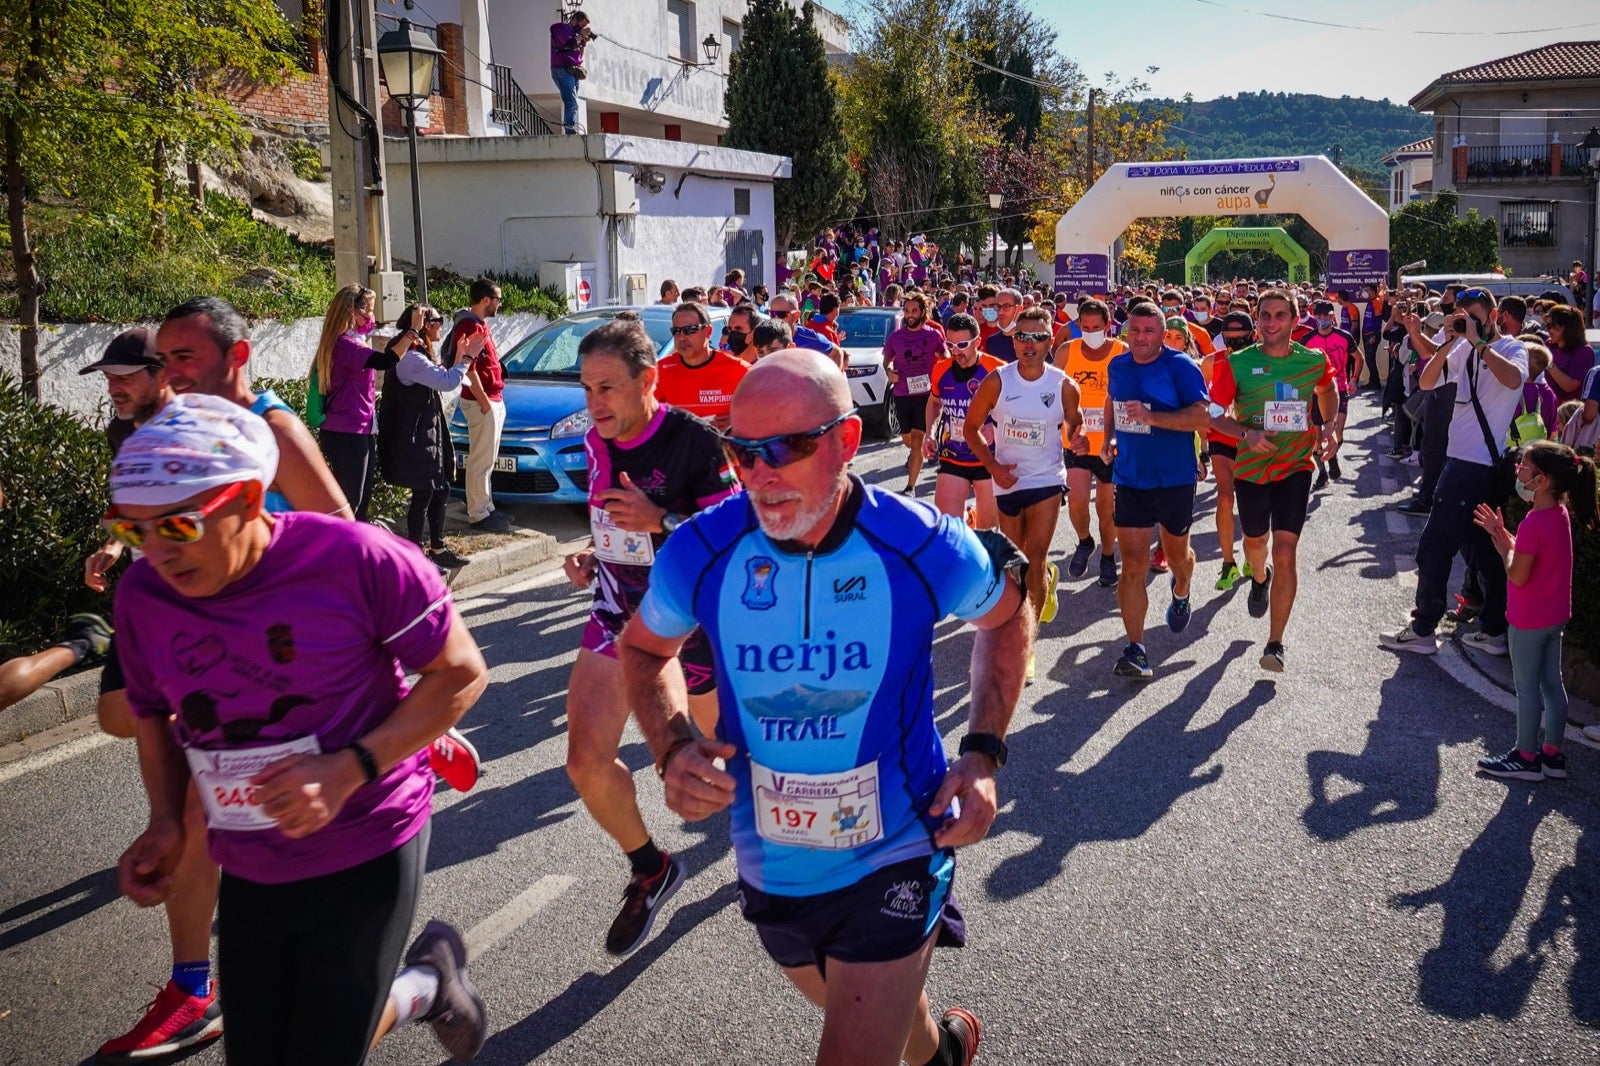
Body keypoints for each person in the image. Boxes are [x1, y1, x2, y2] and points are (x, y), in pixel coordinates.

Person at [618, 348, 1030, 1066]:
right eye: (742, 453)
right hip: (771, 864)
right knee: (887, 1020)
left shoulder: (921, 544)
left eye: (788, 447)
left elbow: (1010, 616)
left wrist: (983, 751)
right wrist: (671, 745)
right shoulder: (701, 551)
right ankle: (942, 1052)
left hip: (899, 847)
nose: (762, 474)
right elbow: (643, 650)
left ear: (845, 441)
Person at [109, 394, 489, 1065]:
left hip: (369, 836)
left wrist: (347, 769)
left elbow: (460, 674)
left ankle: (421, 983)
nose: (157, 554)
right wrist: (166, 819)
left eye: (178, 527)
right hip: (251, 853)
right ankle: (425, 984)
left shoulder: (357, 560)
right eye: (134, 531)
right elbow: (151, 713)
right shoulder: (144, 596)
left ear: (249, 499)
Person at [562, 317, 741, 956]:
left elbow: (736, 538)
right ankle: (651, 866)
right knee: (584, 762)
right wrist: (592, 551)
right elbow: (614, 522)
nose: (595, 404)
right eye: (587, 389)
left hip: (689, 619)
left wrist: (663, 519)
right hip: (617, 610)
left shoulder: (692, 441)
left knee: (725, 760)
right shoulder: (594, 442)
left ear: (649, 379)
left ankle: (760, 854)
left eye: (607, 388)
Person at [1382, 290, 1529, 656]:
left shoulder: (1513, 349)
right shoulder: (1462, 348)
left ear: (1494, 315)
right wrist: (1448, 343)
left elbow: (1513, 380)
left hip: (1474, 465)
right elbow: (1429, 381)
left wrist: (1478, 342)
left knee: (1435, 547)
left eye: (1474, 315)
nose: (1466, 321)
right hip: (1462, 461)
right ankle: (1495, 629)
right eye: (1462, 315)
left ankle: (1423, 627)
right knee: (1483, 551)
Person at [1207, 289, 1337, 672]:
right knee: (1255, 545)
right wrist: (1245, 434)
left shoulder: (1313, 360)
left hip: (1296, 467)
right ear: (1257, 318)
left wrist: (1329, 427)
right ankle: (1258, 578)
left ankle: (1275, 642)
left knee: (1285, 551)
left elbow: (1327, 391)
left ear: (1296, 320)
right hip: (1251, 470)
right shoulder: (1238, 363)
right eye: (1265, 315)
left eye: (1280, 315)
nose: (1271, 323)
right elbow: (1213, 414)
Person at [964, 306, 1077, 682]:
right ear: (1013, 340)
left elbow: (1074, 429)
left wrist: (1078, 437)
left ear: (1051, 339)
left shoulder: (1063, 385)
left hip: (1046, 478)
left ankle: (1025, 648)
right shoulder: (998, 381)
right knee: (1017, 566)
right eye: (1022, 337)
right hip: (1007, 480)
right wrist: (994, 468)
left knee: (1036, 555)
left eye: (1038, 337)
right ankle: (1040, 582)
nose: (1029, 344)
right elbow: (970, 429)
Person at [1100, 302, 1211, 680]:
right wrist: (1109, 438)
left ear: (1163, 335)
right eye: (1135, 331)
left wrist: (1153, 418)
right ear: (1126, 332)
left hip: (1174, 478)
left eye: (1149, 331)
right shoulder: (1118, 365)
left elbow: (1201, 417)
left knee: (1178, 556)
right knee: (1132, 565)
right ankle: (1136, 649)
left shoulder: (1181, 367)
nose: (1141, 338)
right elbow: (1112, 402)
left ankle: (1181, 589)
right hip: (1130, 477)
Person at [1471, 441, 1595, 779]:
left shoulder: (1532, 524)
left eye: (1523, 466)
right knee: (1552, 684)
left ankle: (1525, 756)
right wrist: (1507, 539)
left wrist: (1503, 548)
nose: (1518, 471)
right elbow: (1536, 559)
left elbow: (1517, 573)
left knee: (1526, 688)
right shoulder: (1559, 515)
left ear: (1540, 479)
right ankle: (1552, 755)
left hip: (1528, 619)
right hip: (1554, 616)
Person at [378, 304, 471, 572]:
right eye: (438, 320)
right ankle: (416, 554)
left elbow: (441, 376)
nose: (442, 325)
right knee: (423, 494)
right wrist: (466, 360)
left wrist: (459, 357)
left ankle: (438, 548)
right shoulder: (411, 357)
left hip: (427, 432)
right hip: (415, 437)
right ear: (425, 325)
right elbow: (446, 382)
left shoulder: (420, 353)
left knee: (440, 488)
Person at [1055, 298, 1125, 589]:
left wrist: (1116, 437)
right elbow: (1054, 397)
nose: (1091, 332)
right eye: (1085, 327)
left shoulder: (1122, 353)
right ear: (1078, 325)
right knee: (1077, 502)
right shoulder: (1066, 352)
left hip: (1110, 444)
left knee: (1106, 509)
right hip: (1077, 441)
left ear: (1108, 326)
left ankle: (1108, 556)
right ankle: (1085, 541)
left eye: (1097, 327)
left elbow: (1128, 399)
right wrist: (1072, 433)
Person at [311, 284, 385, 521]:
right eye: (369, 310)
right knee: (350, 501)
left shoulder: (356, 339)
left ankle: (356, 553)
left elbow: (369, 331)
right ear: (353, 313)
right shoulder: (345, 345)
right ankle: (337, 553)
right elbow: (386, 361)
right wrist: (412, 332)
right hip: (345, 431)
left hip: (360, 427)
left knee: (362, 500)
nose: (372, 316)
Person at [924, 313, 1003, 530]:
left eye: (962, 344)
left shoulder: (996, 370)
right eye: (951, 345)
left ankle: (973, 517)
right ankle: (966, 521)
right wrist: (929, 434)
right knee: (947, 530)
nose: (956, 351)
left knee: (986, 533)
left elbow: (1014, 409)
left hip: (988, 459)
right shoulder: (941, 369)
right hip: (953, 457)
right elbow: (934, 403)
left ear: (977, 342)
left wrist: (995, 426)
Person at [447, 279, 512, 533]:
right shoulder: (468, 325)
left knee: (488, 458)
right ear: (486, 300)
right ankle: (478, 513)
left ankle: (486, 507)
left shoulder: (478, 324)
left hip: (492, 399)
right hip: (482, 401)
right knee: (480, 460)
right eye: (497, 299)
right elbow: (468, 367)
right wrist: (484, 401)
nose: (499, 304)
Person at [1204, 312, 1253, 591]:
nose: (1235, 343)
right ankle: (1227, 563)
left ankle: (1252, 551)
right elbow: (1201, 402)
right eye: (1229, 338)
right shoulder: (1212, 362)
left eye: (1241, 337)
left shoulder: (1264, 358)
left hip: (1252, 438)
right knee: (1225, 497)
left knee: (1252, 500)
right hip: (1222, 435)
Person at [884, 293, 946, 495]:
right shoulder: (896, 337)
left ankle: (910, 487)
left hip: (926, 396)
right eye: (907, 311)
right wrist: (889, 371)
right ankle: (914, 455)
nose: (910, 315)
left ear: (923, 312)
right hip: (902, 393)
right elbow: (886, 361)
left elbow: (945, 358)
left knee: (918, 441)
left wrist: (942, 374)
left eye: (914, 311)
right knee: (908, 440)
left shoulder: (933, 335)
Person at [653, 301, 750, 431]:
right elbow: (645, 419)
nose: (682, 337)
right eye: (676, 331)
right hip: (679, 449)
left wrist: (738, 420)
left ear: (708, 332)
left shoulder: (739, 370)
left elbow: (765, 412)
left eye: (690, 330)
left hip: (724, 448)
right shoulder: (659, 371)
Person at [1298, 300, 1356, 488]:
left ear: (1333, 316)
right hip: (1316, 392)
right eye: (1320, 316)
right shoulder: (1307, 339)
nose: (1323, 320)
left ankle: (1333, 454)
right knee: (1317, 436)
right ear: (1315, 317)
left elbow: (1359, 358)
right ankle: (1322, 472)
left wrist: (1354, 378)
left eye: (1327, 316)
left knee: (1337, 430)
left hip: (1339, 388)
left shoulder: (1344, 336)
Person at [550, 10, 593, 135]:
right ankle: (570, 130)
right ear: (574, 20)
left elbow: (579, 58)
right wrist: (579, 36)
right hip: (562, 69)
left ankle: (571, 128)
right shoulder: (559, 28)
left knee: (573, 102)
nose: (582, 28)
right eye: (581, 25)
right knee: (571, 102)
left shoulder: (576, 35)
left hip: (572, 70)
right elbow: (567, 44)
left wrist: (583, 42)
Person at [1541, 305, 1593, 404]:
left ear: (1566, 328)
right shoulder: (1549, 345)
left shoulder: (1584, 352)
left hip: (1568, 413)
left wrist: (1548, 363)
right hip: (1547, 407)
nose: (1547, 330)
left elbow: (1569, 386)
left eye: (1550, 326)